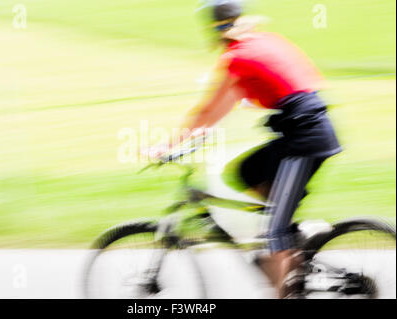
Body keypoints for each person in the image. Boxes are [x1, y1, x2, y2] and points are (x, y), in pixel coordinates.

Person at [145, 0, 341, 298]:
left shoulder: (238, 57)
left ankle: (284, 254)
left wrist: (168, 146)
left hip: (303, 139)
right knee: (247, 171)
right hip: (306, 130)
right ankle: (293, 234)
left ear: (216, 31)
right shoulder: (264, 41)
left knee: (274, 232)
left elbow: (208, 112)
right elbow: (257, 93)